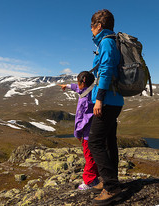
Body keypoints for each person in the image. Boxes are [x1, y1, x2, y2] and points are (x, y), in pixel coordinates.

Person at [87, 9, 124, 205]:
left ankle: (112, 187)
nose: (90, 30)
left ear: (99, 26)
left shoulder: (107, 42)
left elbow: (106, 69)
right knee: (109, 142)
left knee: (95, 142)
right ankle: (110, 180)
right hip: (113, 100)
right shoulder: (111, 41)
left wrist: (99, 99)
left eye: (91, 26)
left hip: (108, 100)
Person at [59, 71, 99, 190]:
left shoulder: (85, 101)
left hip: (87, 134)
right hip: (96, 131)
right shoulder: (92, 89)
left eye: (78, 82)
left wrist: (77, 133)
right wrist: (66, 86)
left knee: (89, 157)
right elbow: (77, 88)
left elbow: (82, 119)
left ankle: (90, 181)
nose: (77, 84)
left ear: (84, 81)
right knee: (94, 155)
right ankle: (96, 176)